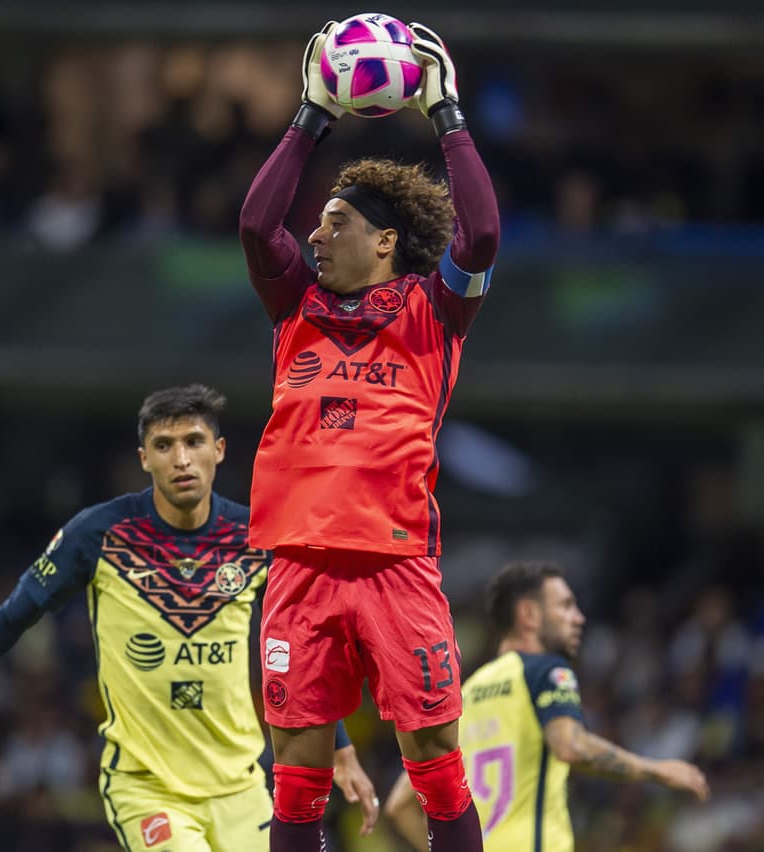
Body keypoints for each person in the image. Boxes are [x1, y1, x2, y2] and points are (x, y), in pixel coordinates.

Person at [0, 385, 379, 851]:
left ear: (218, 450)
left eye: (194, 442)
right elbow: (9, 621)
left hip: (241, 786)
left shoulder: (256, 539)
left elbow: (295, 657)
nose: (181, 459)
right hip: (147, 788)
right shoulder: (100, 534)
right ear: (144, 457)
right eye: (165, 446)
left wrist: (341, 749)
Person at [237, 18, 500, 852]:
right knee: (299, 771)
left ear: (386, 242)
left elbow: (483, 235)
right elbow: (255, 226)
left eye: (336, 221)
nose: (314, 234)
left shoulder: (434, 312)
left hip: (395, 566)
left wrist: (447, 113)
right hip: (300, 565)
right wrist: (310, 114)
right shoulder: (296, 309)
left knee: (433, 759)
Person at [385, 562, 711, 851]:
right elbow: (570, 746)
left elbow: (400, 805)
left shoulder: (464, 696)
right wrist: (656, 770)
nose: (578, 618)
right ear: (529, 614)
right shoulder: (546, 670)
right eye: (566, 606)